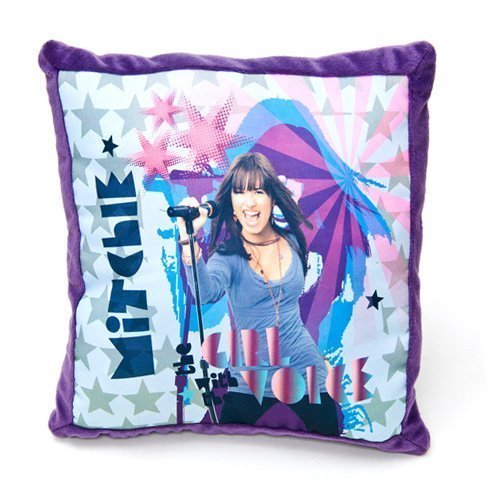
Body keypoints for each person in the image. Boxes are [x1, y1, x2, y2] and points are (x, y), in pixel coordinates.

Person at [175, 152, 342, 436]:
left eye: (258, 191)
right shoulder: (227, 257)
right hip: (250, 382)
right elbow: (206, 293)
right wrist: (188, 241)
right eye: (240, 192)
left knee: (329, 448)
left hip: (307, 375)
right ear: (230, 201)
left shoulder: (291, 241)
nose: (249, 202)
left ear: (272, 198)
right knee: (235, 453)